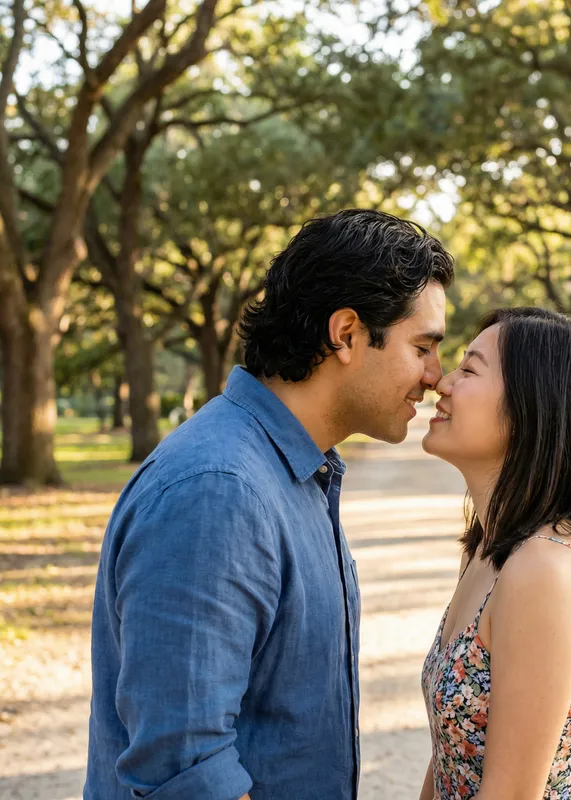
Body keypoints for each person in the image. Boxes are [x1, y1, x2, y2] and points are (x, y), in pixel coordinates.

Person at [84, 209, 454, 800]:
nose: (435, 375)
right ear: (347, 334)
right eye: (423, 346)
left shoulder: (296, 472)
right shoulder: (218, 491)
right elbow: (184, 770)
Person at [419, 307, 571, 800]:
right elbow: (450, 754)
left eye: (469, 369)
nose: (442, 382)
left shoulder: (544, 570)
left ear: (530, 409)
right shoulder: (488, 547)